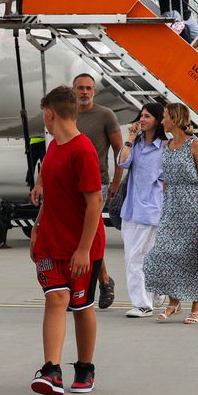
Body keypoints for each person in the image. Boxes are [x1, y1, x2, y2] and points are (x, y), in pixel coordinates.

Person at [28, 86, 107, 395]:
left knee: (81, 305)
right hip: (51, 241)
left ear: (50, 114)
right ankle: (51, 370)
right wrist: (37, 225)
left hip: (80, 247)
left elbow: (94, 202)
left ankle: (85, 367)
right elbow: (50, 194)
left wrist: (84, 249)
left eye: (44, 116)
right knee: (55, 299)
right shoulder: (53, 149)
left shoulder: (82, 150)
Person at [144, 103, 198, 324]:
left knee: (192, 257)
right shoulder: (167, 145)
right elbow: (165, 179)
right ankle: (174, 303)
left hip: (192, 205)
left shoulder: (195, 145)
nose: (162, 121)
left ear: (174, 119)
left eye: (164, 117)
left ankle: (197, 307)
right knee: (164, 253)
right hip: (171, 206)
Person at [67, 73, 121, 308]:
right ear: (74, 90)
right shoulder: (67, 115)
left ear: (95, 92)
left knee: (91, 235)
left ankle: (95, 282)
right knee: (75, 236)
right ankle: (101, 280)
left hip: (97, 183)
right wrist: (40, 182)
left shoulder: (105, 115)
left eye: (89, 88)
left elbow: (120, 151)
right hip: (69, 184)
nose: (84, 92)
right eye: (80, 88)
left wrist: (117, 182)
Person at [116, 102, 165, 318]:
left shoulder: (165, 146)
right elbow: (122, 162)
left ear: (157, 120)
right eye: (141, 116)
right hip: (131, 209)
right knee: (137, 256)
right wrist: (130, 138)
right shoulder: (135, 145)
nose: (142, 120)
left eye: (147, 116)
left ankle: (142, 304)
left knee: (136, 257)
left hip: (151, 209)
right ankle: (156, 292)